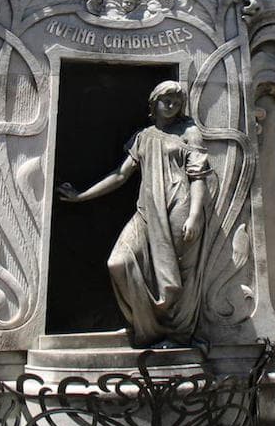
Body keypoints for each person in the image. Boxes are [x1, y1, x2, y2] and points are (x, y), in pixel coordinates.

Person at [57, 81, 211, 348]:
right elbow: (120, 176)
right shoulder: (143, 137)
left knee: (174, 280)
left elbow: (198, 177)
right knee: (118, 262)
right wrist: (81, 196)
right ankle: (147, 327)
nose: (172, 105)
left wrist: (195, 214)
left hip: (179, 206)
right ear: (153, 103)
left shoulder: (189, 132)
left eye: (176, 100)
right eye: (166, 99)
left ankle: (176, 336)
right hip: (147, 210)